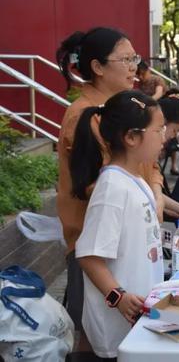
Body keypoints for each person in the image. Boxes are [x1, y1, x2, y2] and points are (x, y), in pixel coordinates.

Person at [55, 28, 165, 341]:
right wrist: (115, 295)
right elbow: (98, 185)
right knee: (99, 338)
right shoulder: (86, 117)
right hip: (104, 250)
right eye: (126, 59)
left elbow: (149, 167)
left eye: (136, 58)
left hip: (131, 244)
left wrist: (155, 195)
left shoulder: (126, 108)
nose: (135, 67)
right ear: (98, 67)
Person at [70, 91, 165, 360]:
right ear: (132, 137)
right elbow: (89, 256)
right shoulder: (111, 187)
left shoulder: (134, 179)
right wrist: (118, 297)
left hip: (137, 320)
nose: (164, 137)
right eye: (159, 130)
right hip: (118, 326)